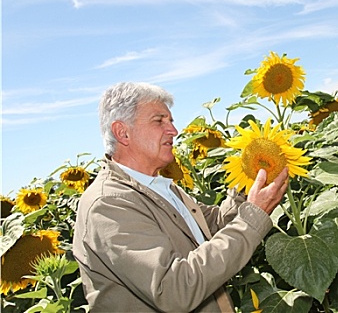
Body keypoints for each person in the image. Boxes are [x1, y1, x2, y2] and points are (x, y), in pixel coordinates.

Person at [72, 82, 288, 313]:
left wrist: (248, 180)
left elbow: (213, 226)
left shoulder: (157, 187)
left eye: (171, 121)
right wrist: (252, 218)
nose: (173, 131)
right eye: (159, 121)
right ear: (122, 132)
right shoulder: (109, 204)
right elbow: (174, 289)